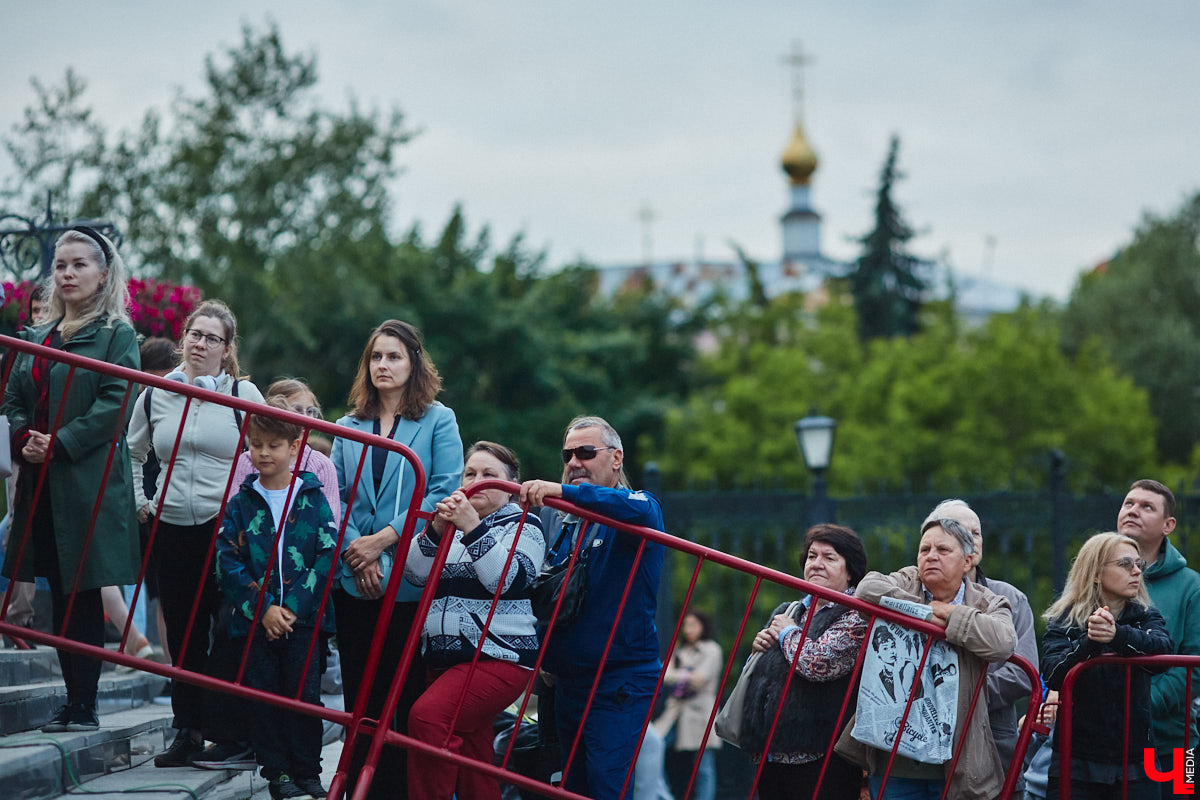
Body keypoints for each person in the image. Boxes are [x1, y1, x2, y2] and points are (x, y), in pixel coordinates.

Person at [1, 227, 141, 731]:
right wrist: (25, 438)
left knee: (81, 592)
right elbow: (15, 398)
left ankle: (83, 704)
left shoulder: (116, 335)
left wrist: (58, 442)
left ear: (103, 274)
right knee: (58, 589)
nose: (67, 273)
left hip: (86, 483)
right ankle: (73, 700)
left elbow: (115, 404)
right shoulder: (37, 337)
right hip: (40, 480)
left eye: (79, 264)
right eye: (60, 265)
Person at [128, 299, 265, 768]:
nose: (200, 344)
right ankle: (186, 731)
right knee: (183, 635)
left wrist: (251, 511)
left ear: (227, 350)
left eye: (212, 338)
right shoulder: (155, 391)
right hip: (170, 526)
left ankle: (229, 732)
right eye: (194, 334)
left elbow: (273, 452)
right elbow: (133, 452)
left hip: (225, 529)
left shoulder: (243, 391)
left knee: (227, 632)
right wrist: (140, 501)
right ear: (183, 337)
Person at [331, 319, 463, 800]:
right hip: (354, 576)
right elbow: (337, 496)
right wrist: (358, 554)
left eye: (394, 357)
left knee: (400, 696)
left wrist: (382, 543)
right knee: (357, 697)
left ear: (414, 364)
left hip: (408, 576)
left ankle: (390, 792)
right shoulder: (346, 425)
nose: (383, 365)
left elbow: (446, 490)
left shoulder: (438, 419)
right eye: (376, 357)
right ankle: (353, 789)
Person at [519, 415, 665, 800]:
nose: (573, 463)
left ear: (616, 458)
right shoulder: (562, 520)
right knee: (572, 788)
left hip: (619, 680)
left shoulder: (640, 508)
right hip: (568, 681)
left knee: (606, 785)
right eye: (567, 455)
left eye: (586, 452)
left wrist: (562, 492)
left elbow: (636, 509)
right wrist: (544, 658)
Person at [835, 516, 1017, 800]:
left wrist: (954, 616)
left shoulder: (987, 601)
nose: (931, 556)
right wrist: (929, 614)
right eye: (924, 550)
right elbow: (867, 590)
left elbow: (1004, 643)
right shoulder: (907, 580)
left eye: (943, 550)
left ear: (968, 562)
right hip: (896, 764)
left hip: (957, 765)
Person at [403, 441, 545, 800]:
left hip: (497, 657)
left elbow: (505, 580)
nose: (477, 482)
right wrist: (436, 528)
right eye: (470, 474)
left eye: (489, 475)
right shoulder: (451, 523)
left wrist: (472, 527)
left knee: (427, 718)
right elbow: (415, 574)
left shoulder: (525, 525)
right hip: (445, 660)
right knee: (473, 757)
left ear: (512, 484)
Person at [215, 396, 337, 800]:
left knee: (305, 696)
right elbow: (227, 560)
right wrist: (263, 608)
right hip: (254, 619)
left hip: (303, 621)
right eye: (256, 444)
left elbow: (325, 556)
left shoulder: (312, 497)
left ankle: (307, 770)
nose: (263, 452)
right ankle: (277, 773)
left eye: (273, 445)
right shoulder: (240, 503)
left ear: (295, 447)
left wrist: (291, 609)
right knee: (262, 694)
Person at [739, 524, 868, 800]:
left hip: (822, 760)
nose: (817, 564)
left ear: (850, 571)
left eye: (829, 557)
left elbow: (817, 664)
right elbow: (762, 677)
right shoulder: (790, 610)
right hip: (771, 755)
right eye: (812, 556)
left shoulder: (857, 615)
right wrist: (757, 653)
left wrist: (786, 633)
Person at [1042, 532, 1172, 800]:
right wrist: (1089, 641)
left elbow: (1164, 653)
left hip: (1140, 758)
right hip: (1077, 760)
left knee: (1184, 784)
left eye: (1139, 564)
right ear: (1096, 574)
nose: (1136, 571)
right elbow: (1054, 675)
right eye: (1126, 564)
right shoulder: (1064, 619)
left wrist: (1117, 635)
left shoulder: (1145, 615)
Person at [922, 499, 1039, 793]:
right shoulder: (912, 591)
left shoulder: (1010, 598)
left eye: (976, 533)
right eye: (959, 531)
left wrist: (959, 697)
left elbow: (1023, 674)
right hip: (920, 744)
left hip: (990, 741)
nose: (971, 539)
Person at [1116, 479, 1200, 774]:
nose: (1133, 511)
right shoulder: (1094, 576)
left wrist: (1139, 705)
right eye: (1129, 504)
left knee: (1180, 794)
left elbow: (1194, 666)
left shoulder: (1192, 586)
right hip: (1105, 744)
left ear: (1169, 525)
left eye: (1147, 506)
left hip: (1173, 745)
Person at [1, 284, 49, 650]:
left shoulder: (71, 345)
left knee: (23, 528)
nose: (40, 314)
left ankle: (18, 617)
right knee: (19, 525)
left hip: (59, 451)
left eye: (46, 307)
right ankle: (17, 618)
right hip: (20, 450)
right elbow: (8, 400)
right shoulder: (19, 348)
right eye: (35, 309)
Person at [227, 378, 339, 525]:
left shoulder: (322, 465)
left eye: (311, 411)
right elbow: (234, 515)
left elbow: (330, 523)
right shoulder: (248, 460)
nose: (306, 417)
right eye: (297, 410)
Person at [654, 609, 723, 800]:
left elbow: (701, 679)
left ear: (703, 626)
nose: (688, 629)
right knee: (653, 747)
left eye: (693, 625)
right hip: (675, 712)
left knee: (703, 766)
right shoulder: (680, 650)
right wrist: (687, 674)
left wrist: (680, 674)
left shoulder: (711, 649)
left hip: (699, 714)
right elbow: (664, 675)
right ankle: (663, 795)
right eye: (686, 625)